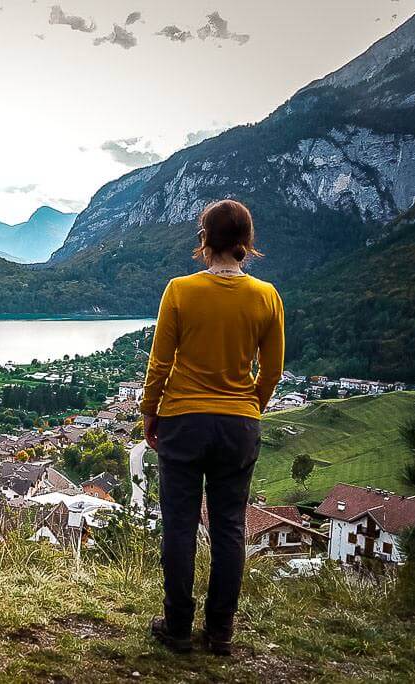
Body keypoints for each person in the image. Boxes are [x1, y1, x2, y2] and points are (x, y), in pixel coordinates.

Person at [140, 199, 284, 656]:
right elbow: (272, 372)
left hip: (183, 420)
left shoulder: (180, 290)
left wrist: (150, 411)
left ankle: (178, 626)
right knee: (228, 528)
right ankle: (220, 631)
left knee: (179, 525)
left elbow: (160, 361)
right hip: (238, 426)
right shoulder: (266, 296)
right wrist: (249, 408)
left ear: (204, 238)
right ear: (246, 242)